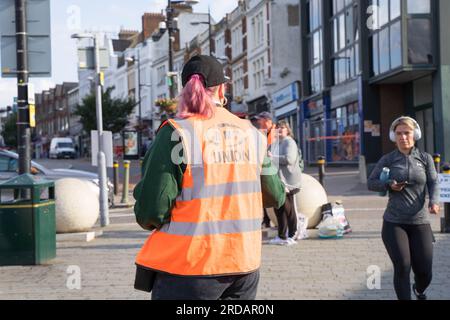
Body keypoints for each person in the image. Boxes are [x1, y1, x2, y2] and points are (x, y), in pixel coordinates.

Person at [133, 55, 286, 300]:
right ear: (222, 89)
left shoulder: (177, 132)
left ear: (184, 90)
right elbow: (275, 195)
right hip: (243, 265)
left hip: (189, 266)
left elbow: (152, 209)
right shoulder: (252, 134)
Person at [368, 116, 439, 300]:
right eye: (398, 133)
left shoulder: (425, 158)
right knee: (403, 265)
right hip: (394, 223)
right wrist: (388, 185)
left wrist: (434, 201)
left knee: (425, 272)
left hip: (420, 222)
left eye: (406, 133)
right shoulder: (388, 159)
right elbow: (371, 182)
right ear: (394, 136)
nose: (403, 137)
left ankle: (419, 289)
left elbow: (433, 182)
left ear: (414, 135)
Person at [268, 120, 303, 246]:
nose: (279, 130)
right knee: (279, 209)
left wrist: (273, 157)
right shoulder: (275, 143)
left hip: (289, 182)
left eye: (282, 128)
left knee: (289, 209)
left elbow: (289, 159)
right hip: (278, 181)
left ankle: (293, 234)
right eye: (277, 128)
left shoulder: (289, 142)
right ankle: (281, 235)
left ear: (287, 130)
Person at [254, 111, 277, 228]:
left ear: (267, 120)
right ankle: (266, 219)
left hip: (274, 169)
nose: (258, 122)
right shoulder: (265, 133)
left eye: (260, 119)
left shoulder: (275, 134)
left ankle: (273, 220)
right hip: (266, 167)